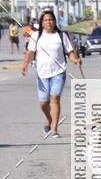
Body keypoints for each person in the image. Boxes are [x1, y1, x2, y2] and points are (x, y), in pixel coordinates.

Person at [21, 8, 80, 137]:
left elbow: (69, 52)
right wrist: (25, 65)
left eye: (51, 20)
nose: (48, 22)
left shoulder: (61, 35)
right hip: (42, 73)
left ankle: (54, 128)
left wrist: (75, 60)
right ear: (42, 22)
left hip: (59, 71)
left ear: (54, 21)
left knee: (55, 98)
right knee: (43, 103)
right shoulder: (36, 36)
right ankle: (48, 118)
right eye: (46, 20)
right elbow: (30, 52)